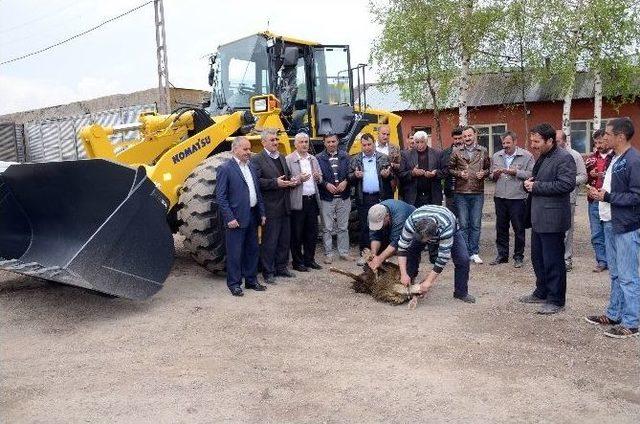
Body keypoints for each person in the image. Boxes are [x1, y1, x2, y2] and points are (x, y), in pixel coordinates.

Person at [585, 117, 640, 339]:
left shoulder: (633, 160)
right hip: (610, 221)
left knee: (628, 276)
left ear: (620, 136)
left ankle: (632, 322)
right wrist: (600, 196)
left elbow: (637, 196)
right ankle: (615, 314)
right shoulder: (615, 159)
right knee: (616, 274)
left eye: (607, 134)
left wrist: (607, 196)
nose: (603, 137)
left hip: (627, 225)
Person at [520, 123, 577, 315]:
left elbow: (566, 185)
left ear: (550, 141)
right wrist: (528, 184)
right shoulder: (544, 156)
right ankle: (541, 291)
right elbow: (537, 180)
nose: (533, 145)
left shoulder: (564, 158)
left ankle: (556, 299)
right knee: (538, 258)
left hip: (553, 219)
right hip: (539, 218)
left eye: (537, 141)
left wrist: (536, 187)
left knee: (553, 261)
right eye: (532, 141)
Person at [215, 136, 267, 297]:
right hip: (236, 219)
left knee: (252, 250)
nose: (248, 152)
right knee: (235, 253)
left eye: (249, 149)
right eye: (245, 149)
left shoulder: (250, 167)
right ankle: (234, 284)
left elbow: (257, 192)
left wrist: (262, 212)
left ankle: (251, 280)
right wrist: (229, 218)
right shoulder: (225, 168)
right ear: (235, 149)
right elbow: (221, 197)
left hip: (252, 215)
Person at [395, 204, 476, 303]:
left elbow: (442, 258)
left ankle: (461, 293)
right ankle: (408, 286)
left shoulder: (446, 227)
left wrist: (428, 282)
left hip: (450, 225)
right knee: (411, 251)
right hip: (423, 225)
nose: (424, 243)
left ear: (433, 236)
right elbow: (402, 247)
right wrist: (403, 274)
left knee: (463, 259)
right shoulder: (411, 221)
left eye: (425, 240)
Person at [251, 128, 296, 284]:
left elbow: (286, 177)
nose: (276, 142)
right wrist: (275, 183)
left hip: (285, 206)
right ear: (263, 142)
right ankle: (268, 272)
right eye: (272, 140)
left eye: (276, 140)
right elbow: (257, 182)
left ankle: (281, 267)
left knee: (284, 240)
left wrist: (294, 180)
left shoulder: (282, 157)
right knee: (270, 242)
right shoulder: (257, 159)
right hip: (270, 208)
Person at [489, 131, 534, 268]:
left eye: (508, 143)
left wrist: (516, 172)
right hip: (500, 197)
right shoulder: (497, 156)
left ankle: (518, 256)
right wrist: (495, 175)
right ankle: (502, 255)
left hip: (518, 198)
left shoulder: (527, 156)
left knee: (518, 228)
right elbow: (491, 176)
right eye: (503, 143)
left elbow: (532, 174)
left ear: (515, 142)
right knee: (501, 227)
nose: (505, 146)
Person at [448, 126, 490, 264]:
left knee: (476, 224)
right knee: (464, 224)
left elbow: (488, 169)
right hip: (461, 192)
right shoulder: (456, 151)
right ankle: (465, 252)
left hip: (478, 192)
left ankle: (474, 252)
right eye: (465, 136)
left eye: (469, 135)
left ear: (475, 135)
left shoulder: (483, 150)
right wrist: (460, 173)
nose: (467, 138)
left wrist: (483, 173)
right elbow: (450, 169)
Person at [349, 133, 393, 265]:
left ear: (374, 144)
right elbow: (349, 177)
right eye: (364, 145)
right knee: (365, 227)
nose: (367, 147)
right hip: (364, 198)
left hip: (380, 197)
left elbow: (391, 176)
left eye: (369, 144)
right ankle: (365, 254)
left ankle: (382, 255)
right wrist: (355, 175)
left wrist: (387, 175)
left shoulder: (383, 158)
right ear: (361, 145)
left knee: (382, 226)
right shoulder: (355, 159)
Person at [285, 132, 323, 272]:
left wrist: (318, 177)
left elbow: (320, 178)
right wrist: (299, 179)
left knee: (312, 232)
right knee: (297, 234)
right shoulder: (289, 159)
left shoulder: (313, 159)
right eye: (301, 142)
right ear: (295, 144)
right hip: (297, 202)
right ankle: (297, 262)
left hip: (312, 199)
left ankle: (310, 260)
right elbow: (287, 181)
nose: (304, 144)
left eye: (306, 142)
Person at [316, 133, 352, 263]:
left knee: (343, 227)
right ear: (324, 143)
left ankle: (344, 252)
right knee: (327, 228)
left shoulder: (346, 156)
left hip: (343, 197)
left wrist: (346, 182)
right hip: (327, 198)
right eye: (328, 142)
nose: (331, 144)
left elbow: (351, 173)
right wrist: (325, 184)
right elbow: (317, 177)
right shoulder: (318, 158)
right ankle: (328, 254)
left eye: (333, 141)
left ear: (338, 142)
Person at [556, 129, 588, 271]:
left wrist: (566, 181)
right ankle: (555, 258)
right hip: (553, 197)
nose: (555, 143)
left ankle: (567, 259)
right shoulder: (551, 155)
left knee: (567, 230)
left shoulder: (574, 155)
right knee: (555, 230)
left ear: (564, 141)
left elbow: (583, 176)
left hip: (569, 198)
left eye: (557, 141)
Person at [584, 129, 613, 272]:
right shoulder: (590, 158)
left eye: (600, 142)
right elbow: (585, 180)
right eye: (595, 143)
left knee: (609, 230)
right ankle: (601, 261)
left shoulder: (615, 157)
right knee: (596, 232)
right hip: (593, 200)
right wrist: (590, 176)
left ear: (607, 140)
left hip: (609, 200)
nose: (598, 145)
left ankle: (612, 259)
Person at [398, 130, 445, 208]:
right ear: (414, 142)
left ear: (427, 141)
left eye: (422, 142)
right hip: (413, 197)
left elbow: (445, 171)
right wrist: (413, 173)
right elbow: (401, 174)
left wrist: (435, 173)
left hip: (433, 196)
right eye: (417, 142)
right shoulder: (406, 155)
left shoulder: (437, 153)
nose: (419, 145)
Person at [367, 199, 416, 271]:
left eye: (379, 224)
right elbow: (375, 236)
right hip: (391, 224)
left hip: (413, 226)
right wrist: (373, 255)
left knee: (408, 252)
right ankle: (380, 269)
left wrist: (380, 258)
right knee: (378, 255)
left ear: (387, 216)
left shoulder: (400, 217)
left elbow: (396, 243)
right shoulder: (373, 214)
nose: (377, 226)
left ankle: (409, 273)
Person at [442, 127, 464, 215]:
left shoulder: (469, 152)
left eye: (460, 138)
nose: (458, 141)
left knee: (464, 219)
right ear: (453, 139)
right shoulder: (446, 152)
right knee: (451, 217)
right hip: (450, 191)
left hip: (465, 191)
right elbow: (444, 170)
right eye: (455, 139)